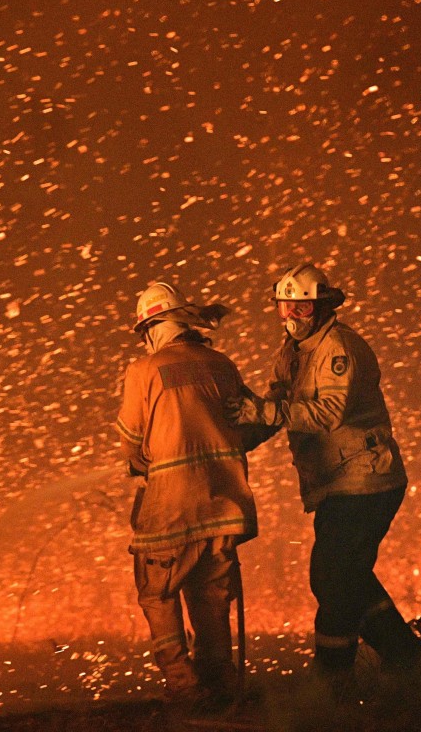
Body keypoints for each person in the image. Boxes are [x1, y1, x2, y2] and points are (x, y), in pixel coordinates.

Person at [226, 262, 421, 693]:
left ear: (322, 307)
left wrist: (261, 411)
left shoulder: (340, 349)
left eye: (300, 310)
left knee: (332, 575)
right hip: (336, 484)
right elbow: (275, 407)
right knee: (347, 575)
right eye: (284, 308)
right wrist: (234, 441)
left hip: (366, 481)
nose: (290, 318)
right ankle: (413, 665)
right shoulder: (291, 352)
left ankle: (333, 680)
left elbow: (327, 414)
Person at [116, 282, 267, 710]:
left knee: (156, 592)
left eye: (145, 329)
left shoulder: (143, 371)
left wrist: (145, 462)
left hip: (171, 509)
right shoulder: (222, 366)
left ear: (156, 326)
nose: (145, 339)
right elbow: (254, 425)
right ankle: (218, 686)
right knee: (211, 598)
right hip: (223, 507)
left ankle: (183, 686)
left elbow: (130, 440)